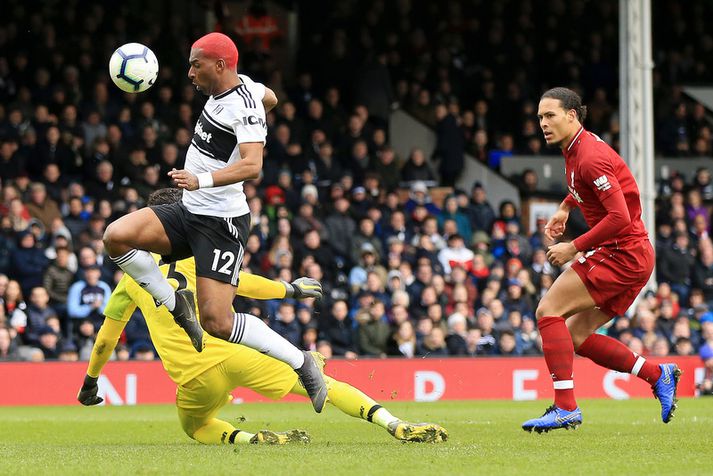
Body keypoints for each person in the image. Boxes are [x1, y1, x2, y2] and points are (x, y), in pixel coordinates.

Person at [78, 190, 447, 445]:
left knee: (195, 428)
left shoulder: (130, 278)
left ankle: (251, 440)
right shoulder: (198, 253)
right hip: (237, 352)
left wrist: (91, 381)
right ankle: (392, 423)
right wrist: (290, 289)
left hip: (192, 378)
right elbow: (245, 284)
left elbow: (107, 339)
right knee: (323, 383)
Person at [102, 33, 328, 411]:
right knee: (116, 237)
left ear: (219, 65)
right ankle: (175, 303)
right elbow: (269, 96)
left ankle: (302, 362)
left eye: (196, 64)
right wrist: (260, 101)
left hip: (220, 223)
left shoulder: (242, 107)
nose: (189, 72)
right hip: (189, 209)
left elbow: (253, 165)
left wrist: (200, 179)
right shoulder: (243, 92)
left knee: (218, 323)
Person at [522, 87, 680, 433]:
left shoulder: (588, 155)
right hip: (630, 255)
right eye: (539, 118)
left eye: (549, 115)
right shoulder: (577, 149)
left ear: (571, 115)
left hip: (622, 253)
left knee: (548, 312)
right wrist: (566, 206)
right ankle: (658, 375)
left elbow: (619, 217)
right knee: (577, 336)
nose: (543, 124)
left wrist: (573, 246)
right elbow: (587, 185)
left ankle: (565, 407)